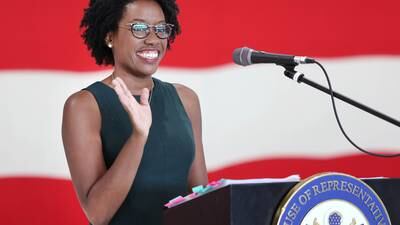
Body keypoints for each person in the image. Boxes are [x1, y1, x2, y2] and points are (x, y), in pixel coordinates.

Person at [61, 0, 208, 224]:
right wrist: (138, 137)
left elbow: (201, 197)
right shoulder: (84, 106)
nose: (152, 39)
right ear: (109, 36)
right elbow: (97, 213)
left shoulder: (185, 99)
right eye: (139, 28)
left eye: (160, 28)